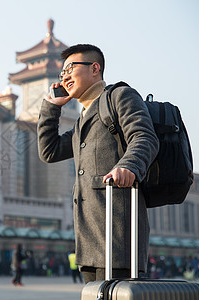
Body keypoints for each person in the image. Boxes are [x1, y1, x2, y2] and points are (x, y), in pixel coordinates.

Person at [37, 44, 159, 283]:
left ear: (95, 68)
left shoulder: (119, 97)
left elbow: (144, 136)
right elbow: (49, 151)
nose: (65, 75)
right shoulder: (82, 121)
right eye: (62, 73)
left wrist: (130, 165)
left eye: (71, 68)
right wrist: (51, 108)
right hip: (88, 241)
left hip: (118, 236)